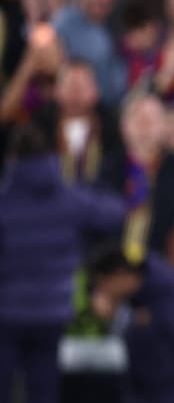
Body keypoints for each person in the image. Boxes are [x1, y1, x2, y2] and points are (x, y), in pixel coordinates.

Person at [0, 111, 125, 403]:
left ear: (12, 156)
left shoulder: (4, 200)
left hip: (6, 314)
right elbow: (115, 213)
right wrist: (91, 185)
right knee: (44, 391)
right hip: (51, 313)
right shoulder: (69, 197)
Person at [89, 246, 174, 403]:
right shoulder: (135, 302)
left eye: (102, 284)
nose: (101, 293)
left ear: (119, 275)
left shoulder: (169, 301)